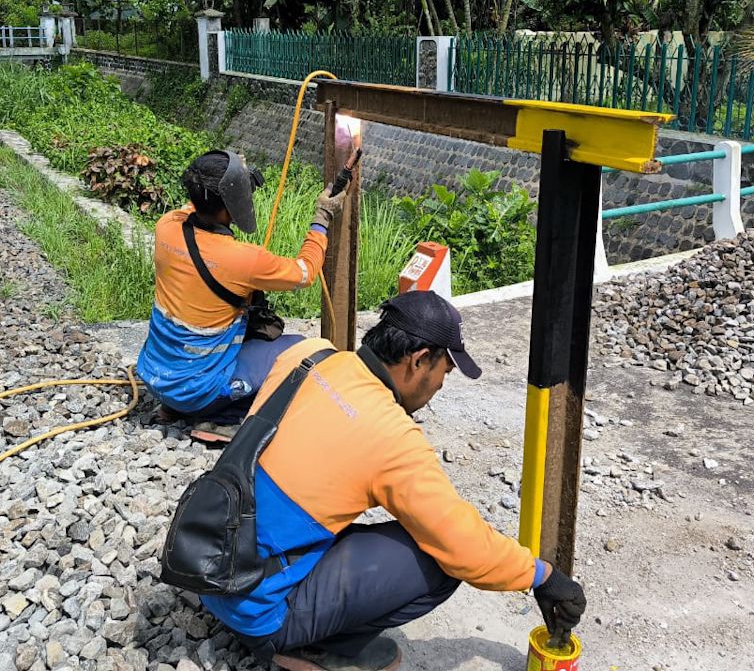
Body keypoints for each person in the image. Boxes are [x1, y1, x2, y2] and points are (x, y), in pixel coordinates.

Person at [201, 291, 587, 671]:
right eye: (444, 372)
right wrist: (542, 576)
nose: (439, 386)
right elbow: (463, 545)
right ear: (419, 361)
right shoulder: (392, 436)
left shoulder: (310, 355)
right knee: (440, 561)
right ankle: (309, 647)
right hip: (257, 610)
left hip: (207, 560)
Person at [136, 150, 347, 425]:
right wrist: (322, 218)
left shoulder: (166, 227)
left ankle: (175, 407)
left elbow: (197, 206)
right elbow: (304, 272)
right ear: (229, 205)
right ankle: (230, 420)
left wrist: (234, 177)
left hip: (156, 377)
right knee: (308, 351)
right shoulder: (243, 260)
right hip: (199, 392)